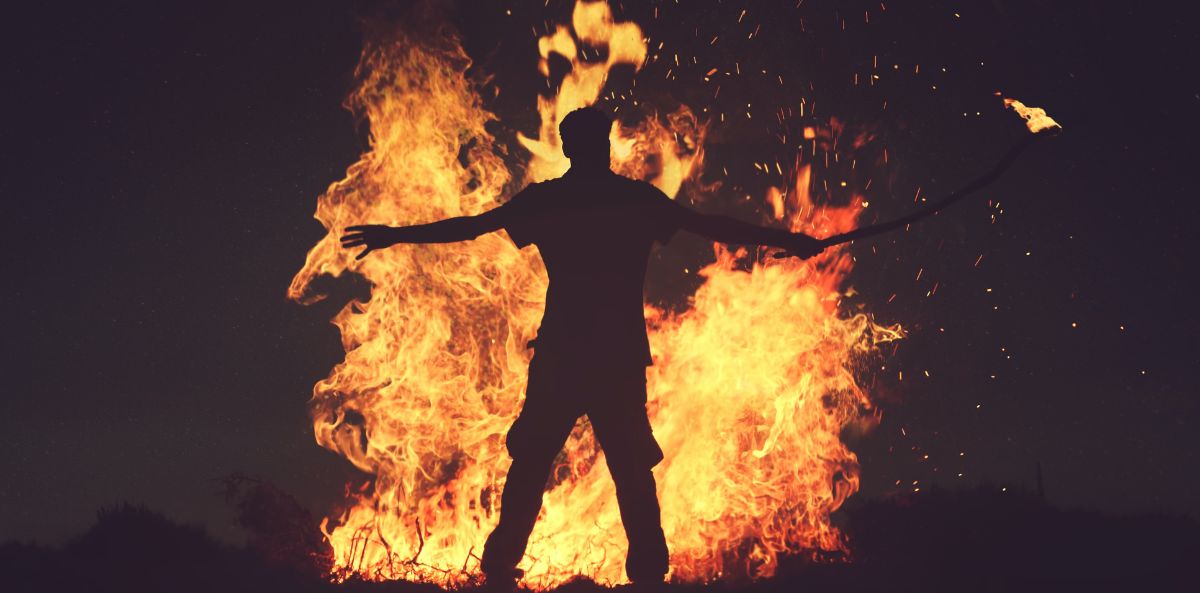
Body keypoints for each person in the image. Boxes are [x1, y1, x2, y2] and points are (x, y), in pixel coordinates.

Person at [340, 107, 824, 585]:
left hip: (564, 356)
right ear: (602, 145)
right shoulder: (634, 200)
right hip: (613, 357)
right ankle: (647, 575)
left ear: (571, 147)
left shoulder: (551, 201)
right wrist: (786, 240)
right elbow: (712, 225)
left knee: (536, 462)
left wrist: (395, 236)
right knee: (627, 469)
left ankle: (501, 569)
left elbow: (471, 227)